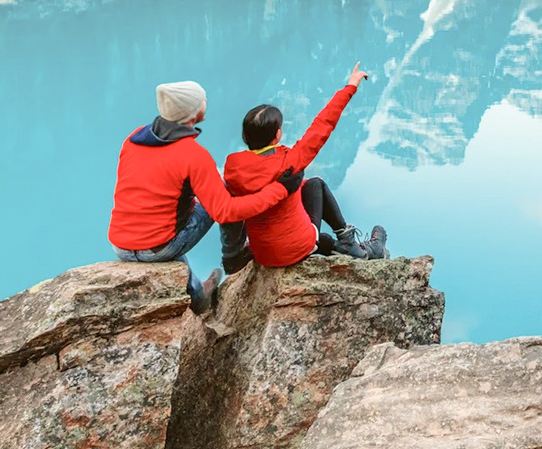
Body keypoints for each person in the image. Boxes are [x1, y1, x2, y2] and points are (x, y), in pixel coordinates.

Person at [108, 79, 301, 313]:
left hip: (120, 243)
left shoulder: (134, 138)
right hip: (159, 248)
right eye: (202, 100)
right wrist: (280, 189)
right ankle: (233, 254)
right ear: (192, 112)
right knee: (226, 188)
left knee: (168, 218)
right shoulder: (193, 155)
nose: (206, 102)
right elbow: (225, 211)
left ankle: (199, 297)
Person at [220, 64, 388, 272]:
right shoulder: (290, 160)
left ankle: (340, 247)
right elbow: (323, 125)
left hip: (263, 253)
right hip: (297, 247)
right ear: (277, 135)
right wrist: (351, 86)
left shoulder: (233, 168)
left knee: (304, 197)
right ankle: (348, 242)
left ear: (245, 137)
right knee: (315, 185)